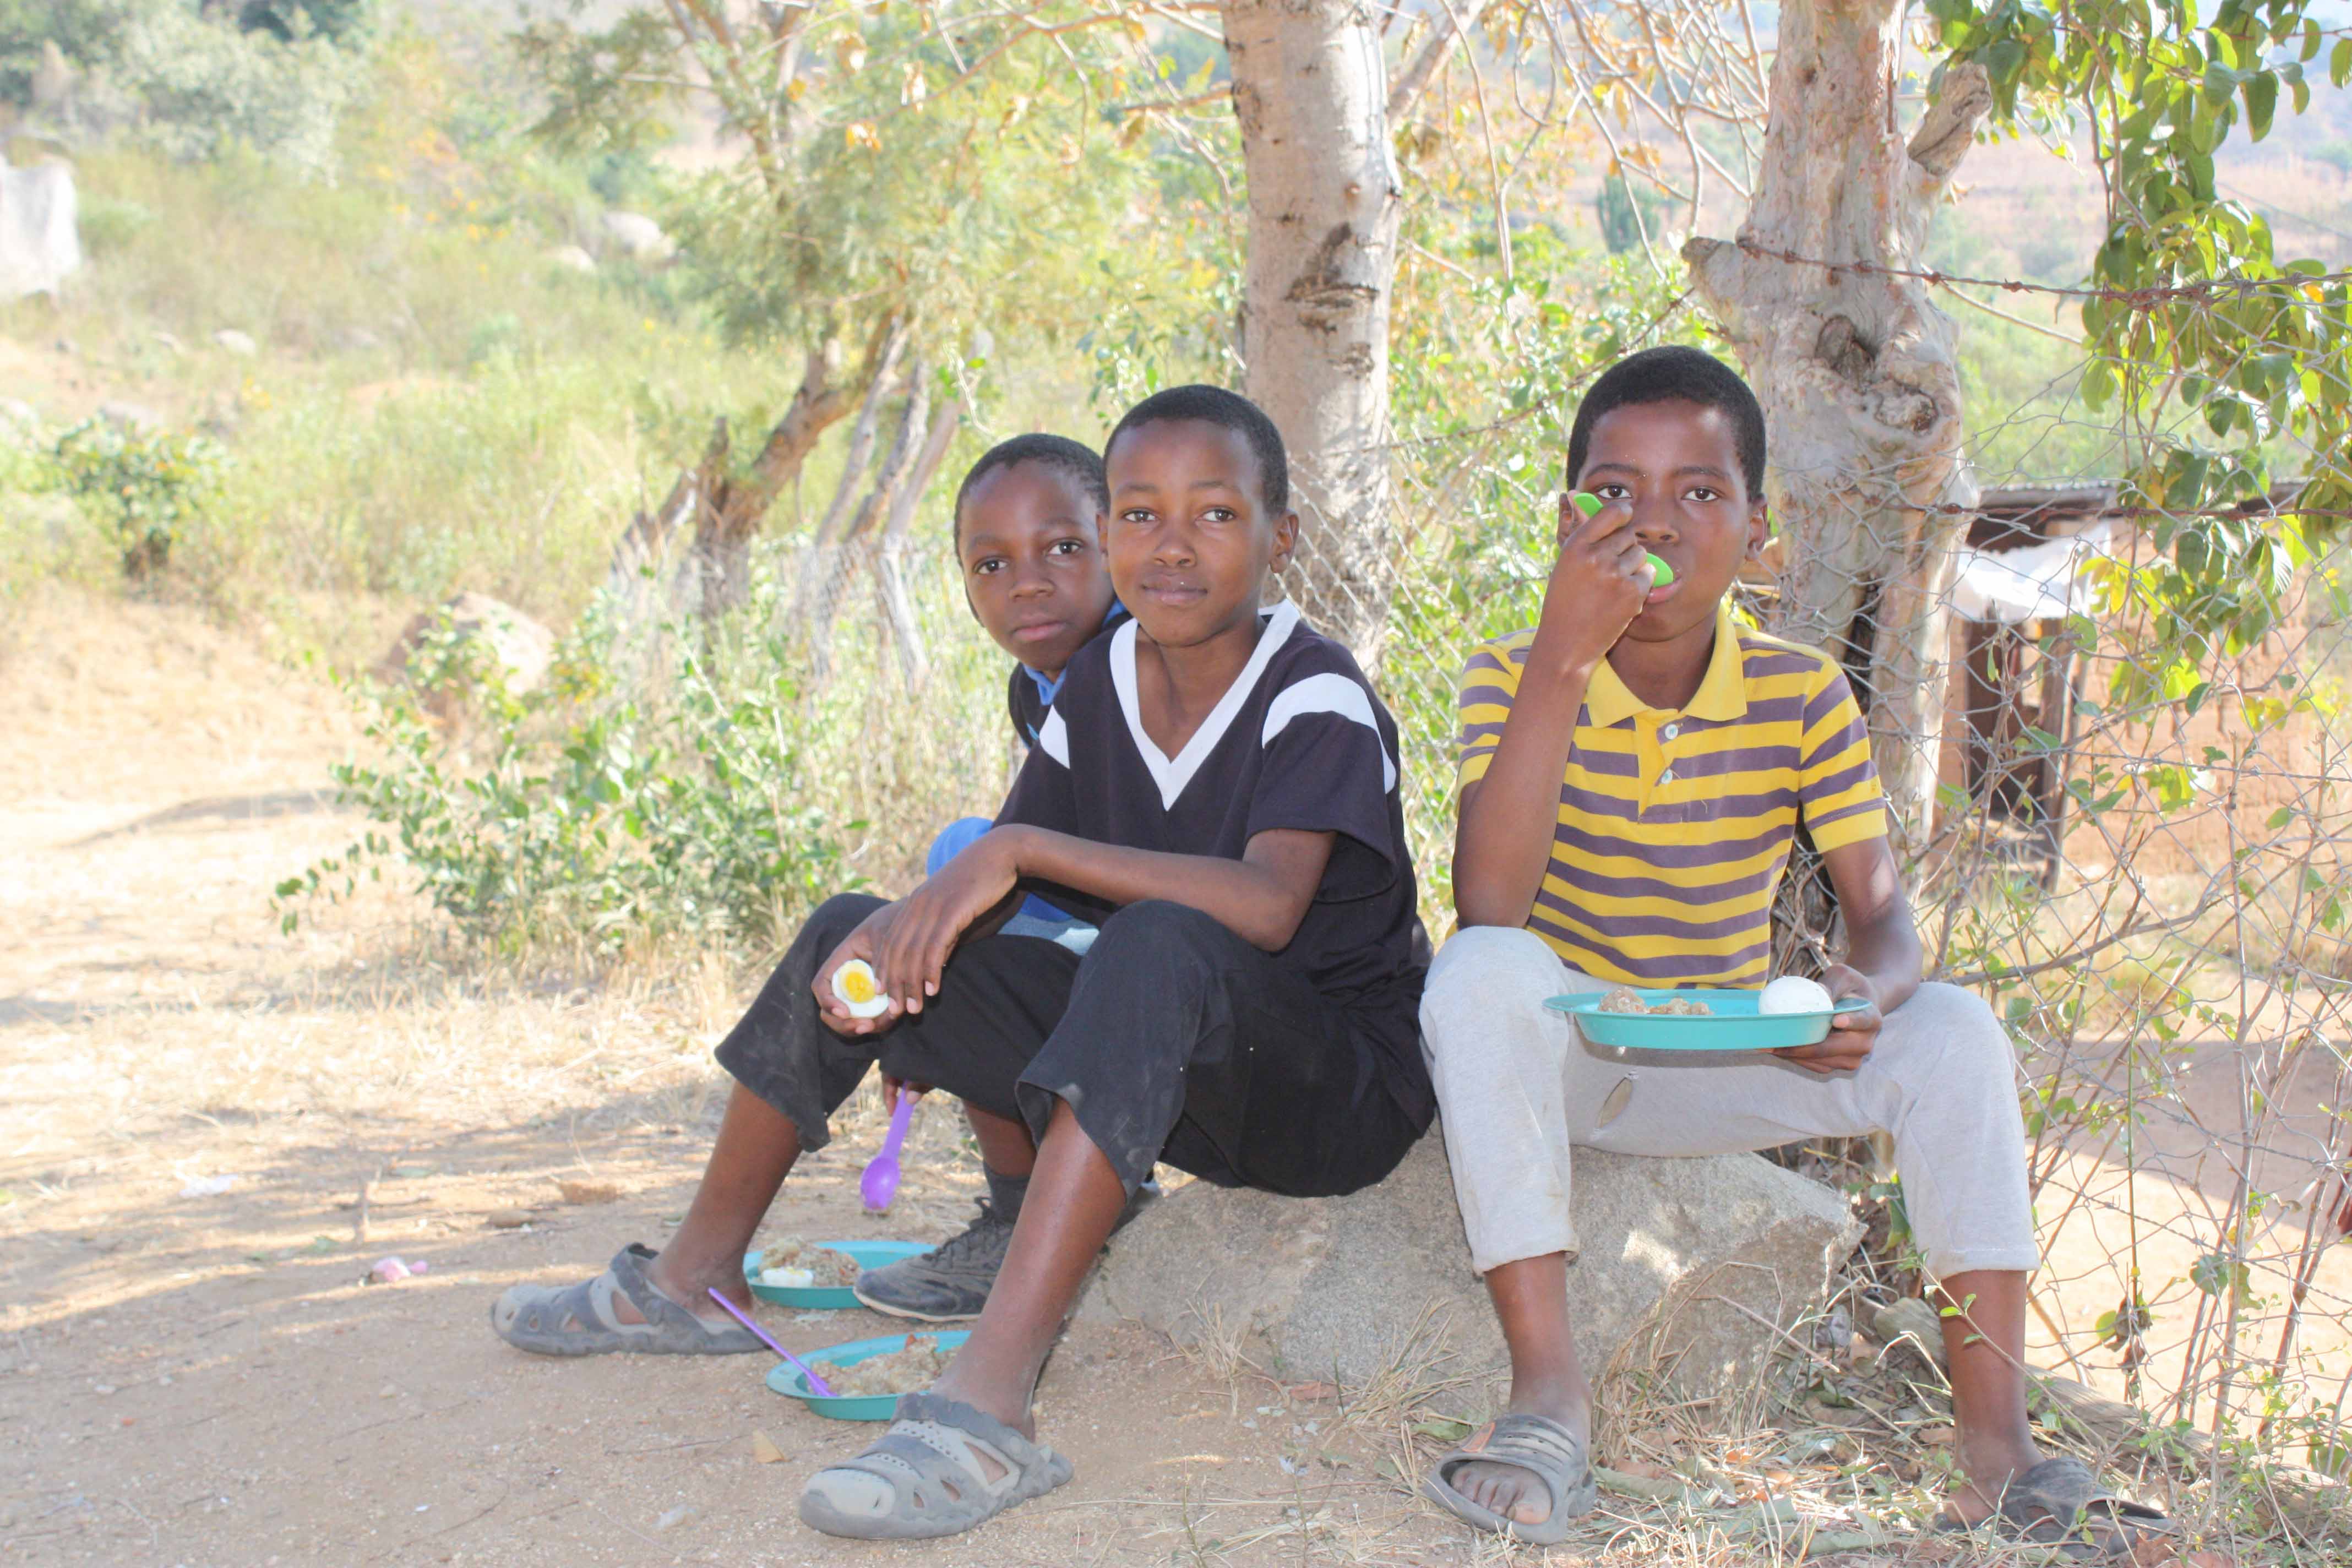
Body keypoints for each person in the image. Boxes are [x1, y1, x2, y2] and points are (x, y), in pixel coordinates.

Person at [496, 385, 1434, 1542]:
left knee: (1153, 942)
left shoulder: (1315, 689)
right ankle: (695, 1279)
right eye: (1140, 515)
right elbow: (1004, 894)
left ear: (1281, 535)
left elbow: (1270, 905)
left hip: (1335, 1090)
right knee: (863, 921)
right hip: (1192, 1071)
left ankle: (986, 1409)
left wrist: (1017, 844)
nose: (1172, 546)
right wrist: (903, 955)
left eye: (1215, 515)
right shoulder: (1101, 683)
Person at [1417, 345, 2176, 1561]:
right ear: (1567, 520)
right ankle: (1549, 1401)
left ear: (1759, 531)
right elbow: (1491, 899)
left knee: (1957, 1033)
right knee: (1479, 971)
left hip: (1736, 1059)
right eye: (1614, 492)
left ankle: (2001, 1452)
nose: (1654, 522)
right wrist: (1563, 659)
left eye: (1700, 493)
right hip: (1574, 1062)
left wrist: (1863, 995)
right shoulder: (1513, 673)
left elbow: (1882, 918)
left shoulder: (1801, 691)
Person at [854, 434, 1145, 1325]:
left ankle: (1049, 1210)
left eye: (1062, 549)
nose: (1027, 582)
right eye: (991, 563)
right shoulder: (1040, 683)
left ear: (1115, 543)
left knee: (964, 907)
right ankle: (1038, 1205)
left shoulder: (1141, 662)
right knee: (959, 864)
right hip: (1113, 918)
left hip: (1183, 948)